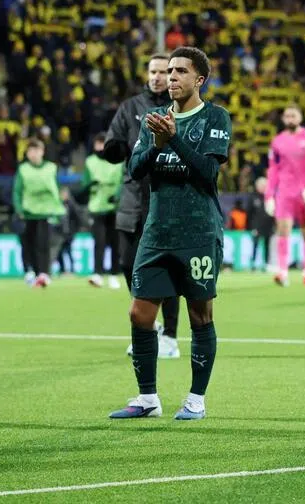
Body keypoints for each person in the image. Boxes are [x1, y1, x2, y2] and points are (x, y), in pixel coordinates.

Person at [109, 46, 232, 422]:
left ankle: (196, 398)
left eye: (180, 71)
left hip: (198, 231)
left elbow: (206, 173)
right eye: (170, 71)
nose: (172, 77)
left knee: (200, 315)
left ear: (200, 79)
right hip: (157, 231)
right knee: (139, 313)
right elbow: (135, 169)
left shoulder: (216, 117)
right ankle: (148, 398)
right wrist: (158, 143)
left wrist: (173, 140)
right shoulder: (153, 119)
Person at [103, 54, 181, 358]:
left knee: (169, 268)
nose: (159, 77)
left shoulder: (181, 107)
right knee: (126, 262)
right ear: (146, 74)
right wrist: (115, 148)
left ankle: (171, 336)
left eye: (165, 72)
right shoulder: (131, 107)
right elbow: (114, 143)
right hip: (134, 197)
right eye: (154, 71)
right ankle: (149, 323)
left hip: (166, 196)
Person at [265, 105, 305, 287]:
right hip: (284, 192)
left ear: (300, 117)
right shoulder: (277, 141)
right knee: (283, 230)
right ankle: (282, 272)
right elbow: (273, 170)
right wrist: (269, 195)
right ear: (283, 119)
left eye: (293, 115)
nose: (290, 118)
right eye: (287, 116)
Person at [12, 139, 64, 288]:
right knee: (29, 244)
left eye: (36, 150)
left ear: (42, 151)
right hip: (28, 213)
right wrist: (19, 209)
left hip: (46, 212)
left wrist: (58, 208)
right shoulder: (23, 169)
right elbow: (17, 191)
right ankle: (34, 272)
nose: (34, 154)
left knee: (44, 244)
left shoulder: (51, 168)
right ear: (27, 153)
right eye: (31, 151)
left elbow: (56, 188)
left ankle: (44, 273)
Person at [82, 133, 122, 289]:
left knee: (115, 243)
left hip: (114, 208)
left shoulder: (119, 162)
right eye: (98, 144)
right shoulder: (90, 162)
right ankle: (97, 274)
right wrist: (89, 185)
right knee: (99, 242)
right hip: (97, 207)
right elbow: (84, 184)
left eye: (103, 143)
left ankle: (113, 274)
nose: (100, 147)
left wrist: (118, 196)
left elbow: (123, 181)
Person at [246, 176, 275, 271]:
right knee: (255, 245)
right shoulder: (253, 197)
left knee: (267, 245)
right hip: (256, 227)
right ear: (257, 186)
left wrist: (274, 225)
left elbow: (274, 213)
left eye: (265, 185)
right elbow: (249, 214)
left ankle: (267, 264)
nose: (263, 187)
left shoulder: (270, 198)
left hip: (268, 226)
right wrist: (251, 227)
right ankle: (253, 264)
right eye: (261, 185)